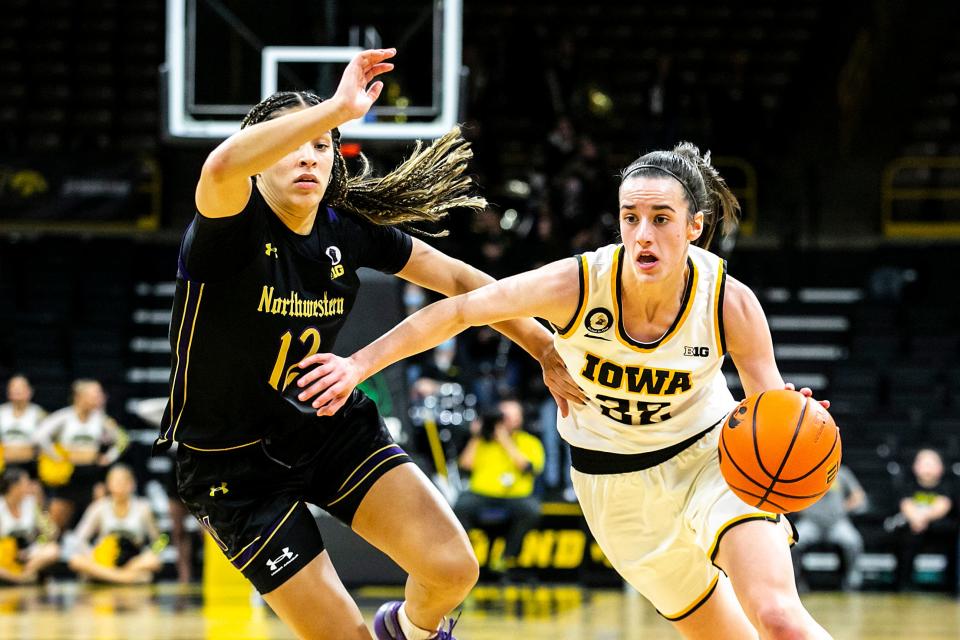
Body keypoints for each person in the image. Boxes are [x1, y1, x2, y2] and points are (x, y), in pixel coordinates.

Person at [299, 142, 836, 639]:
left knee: (778, 618)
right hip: (615, 488)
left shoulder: (729, 302)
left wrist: (796, 422)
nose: (643, 234)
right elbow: (461, 309)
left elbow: (769, 407)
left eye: (661, 219)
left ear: (694, 226)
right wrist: (358, 362)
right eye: (631, 218)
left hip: (711, 460)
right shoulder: (578, 284)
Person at [152, 49, 577, 640]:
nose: (307, 156)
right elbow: (219, 168)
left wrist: (541, 345)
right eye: (289, 145)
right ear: (259, 160)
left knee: (453, 569)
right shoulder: (230, 228)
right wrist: (337, 106)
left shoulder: (344, 229)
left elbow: (459, 281)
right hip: (231, 465)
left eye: (323, 144)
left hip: (326, 426)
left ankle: (404, 631)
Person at [455, 398, 544, 576]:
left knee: (532, 510)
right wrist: (476, 436)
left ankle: (507, 556)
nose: (504, 420)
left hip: (515, 497)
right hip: (481, 494)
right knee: (459, 507)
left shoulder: (530, 442)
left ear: (519, 419)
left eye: (509, 416)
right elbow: (465, 466)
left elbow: (527, 468)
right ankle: (465, 556)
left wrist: (504, 439)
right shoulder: (481, 441)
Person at [35, 379, 128, 531]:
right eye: (93, 395)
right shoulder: (65, 416)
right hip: (69, 474)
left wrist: (109, 457)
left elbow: (122, 439)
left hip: (92, 474)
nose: (98, 398)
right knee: (57, 521)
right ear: (79, 396)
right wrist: (56, 456)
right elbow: (40, 436)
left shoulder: (100, 418)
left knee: (99, 517)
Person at [68, 464, 164, 584]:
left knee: (153, 561)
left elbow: (160, 541)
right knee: (76, 560)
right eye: (115, 481)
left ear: (132, 484)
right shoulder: (99, 507)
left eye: (123, 481)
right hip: (104, 560)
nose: (120, 485)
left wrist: (146, 554)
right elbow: (78, 538)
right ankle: (124, 578)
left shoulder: (143, 507)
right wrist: (93, 554)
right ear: (108, 484)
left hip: (132, 560)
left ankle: (102, 576)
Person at [890, 448, 957, 591]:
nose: (927, 467)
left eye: (931, 463)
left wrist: (923, 518)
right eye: (923, 463)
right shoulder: (908, 484)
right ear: (915, 466)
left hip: (939, 528)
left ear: (940, 467)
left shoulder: (947, 485)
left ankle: (951, 584)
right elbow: (905, 504)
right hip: (914, 528)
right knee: (906, 537)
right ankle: (903, 583)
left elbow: (944, 504)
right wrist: (916, 519)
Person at [791, 465, 867, 591]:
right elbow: (792, 494)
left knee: (853, 541)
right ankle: (796, 579)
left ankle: (852, 579)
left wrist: (844, 508)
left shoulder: (841, 472)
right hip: (811, 522)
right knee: (792, 542)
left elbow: (859, 495)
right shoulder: (806, 470)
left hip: (837, 522)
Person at [0, 468, 59, 584]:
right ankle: (18, 578)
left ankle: (24, 575)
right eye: (26, 483)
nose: (30, 486)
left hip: (28, 553)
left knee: (53, 550)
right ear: (14, 487)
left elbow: (51, 533)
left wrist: (42, 506)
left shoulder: (31, 503)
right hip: (4, 554)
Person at [0, 375, 47, 478]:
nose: (17, 390)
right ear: (8, 392)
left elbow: (46, 442)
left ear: (29, 391)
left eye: (21, 387)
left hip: (30, 466)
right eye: (13, 387)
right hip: (4, 466)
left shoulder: (38, 413)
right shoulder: (1, 412)